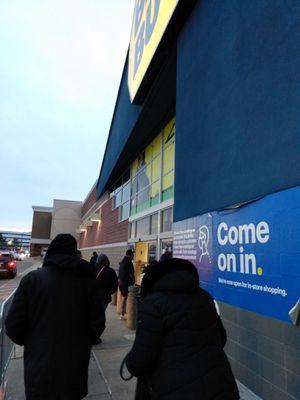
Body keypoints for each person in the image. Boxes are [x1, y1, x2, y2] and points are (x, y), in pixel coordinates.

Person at [5, 234, 105, 400]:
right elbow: (98, 325)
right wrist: (82, 342)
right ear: (74, 253)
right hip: (74, 371)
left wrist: (34, 342)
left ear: (51, 252)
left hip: (39, 372)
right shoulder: (88, 283)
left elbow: (13, 326)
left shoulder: (32, 280)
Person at [125, 258, 240, 400]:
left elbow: (140, 363)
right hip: (220, 385)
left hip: (176, 389)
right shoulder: (204, 297)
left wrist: (130, 362)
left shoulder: (153, 303)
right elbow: (221, 338)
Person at [118, 249, 135, 318]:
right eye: (132, 254)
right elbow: (131, 274)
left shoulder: (122, 261)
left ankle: (122, 312)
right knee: (125, 298)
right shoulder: (129, 263)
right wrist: (133, 281)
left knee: (123, 297)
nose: (133, 256)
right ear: (130, 255)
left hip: (121, 282)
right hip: (126, 283)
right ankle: (122, 314)